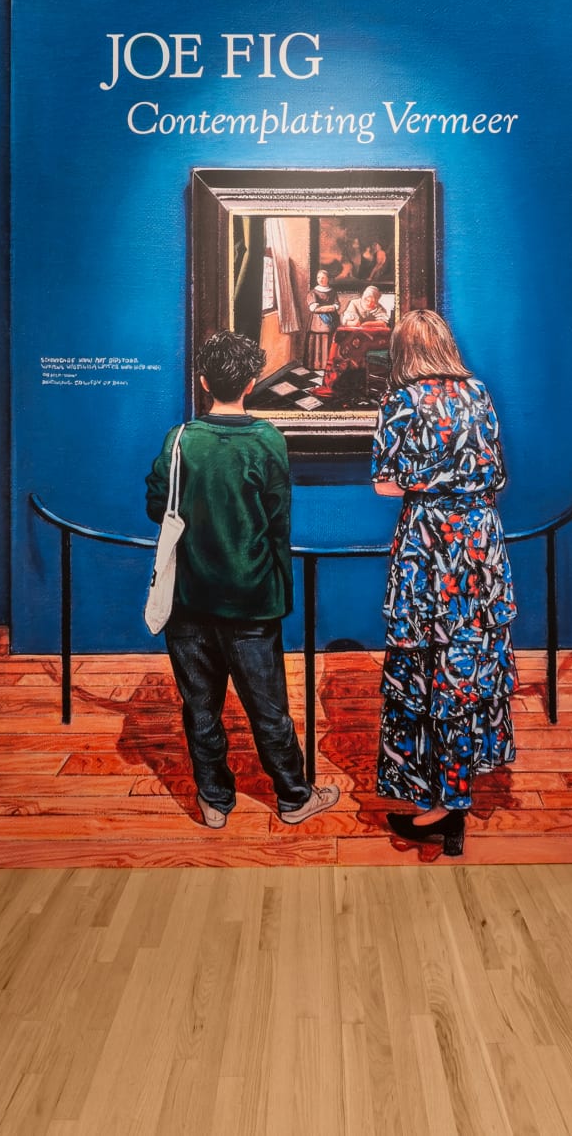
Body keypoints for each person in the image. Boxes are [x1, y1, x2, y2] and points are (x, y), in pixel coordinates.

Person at [145, 331, 340, 830]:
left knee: (200, 708)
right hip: (252, 599)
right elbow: (278, 520)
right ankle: (293, 798)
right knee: (269, 709)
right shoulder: (266, 439)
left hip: (188, 597)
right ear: (251, 383)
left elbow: (156, 505)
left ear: (204, 382)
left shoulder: (181, 439)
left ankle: (214, 800)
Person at [369, 310, 514, 858]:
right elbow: (496, 477)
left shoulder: (400, 401)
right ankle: (457, 792)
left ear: (403, 351)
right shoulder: (479, 394)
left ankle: (442, 803)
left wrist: (426, 485)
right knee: (467, 663)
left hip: (428, 548)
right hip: (479, 545)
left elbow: (385, 485)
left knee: (424, 664)